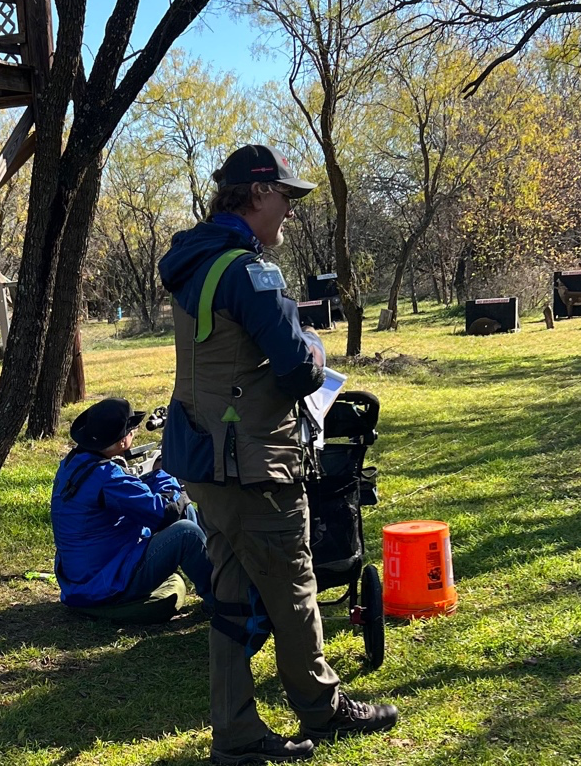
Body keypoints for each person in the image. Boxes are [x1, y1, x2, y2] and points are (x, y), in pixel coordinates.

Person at [159, 145, 397, 765]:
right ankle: (324, 708)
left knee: (232, 598)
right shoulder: (248, 271)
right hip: (252, 464)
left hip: (201, 458)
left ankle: (235, 731)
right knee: (294, 592)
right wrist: (316, 347)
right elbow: (296, 371)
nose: (289, 211)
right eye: (286, 198)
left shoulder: (195, 262)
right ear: (257, 194)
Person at [50, 397, 213, 615]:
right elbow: (167, 513)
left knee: (185, 513)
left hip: (81, 580)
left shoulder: (73, 463)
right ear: (120, 441)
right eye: (131, 430)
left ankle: (215, 580)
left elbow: (127, 492)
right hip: (105, 585)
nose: (134, 433)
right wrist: (166, 473)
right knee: (187, 533)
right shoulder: (108, 477)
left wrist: (155, 475)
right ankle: (222, 601)